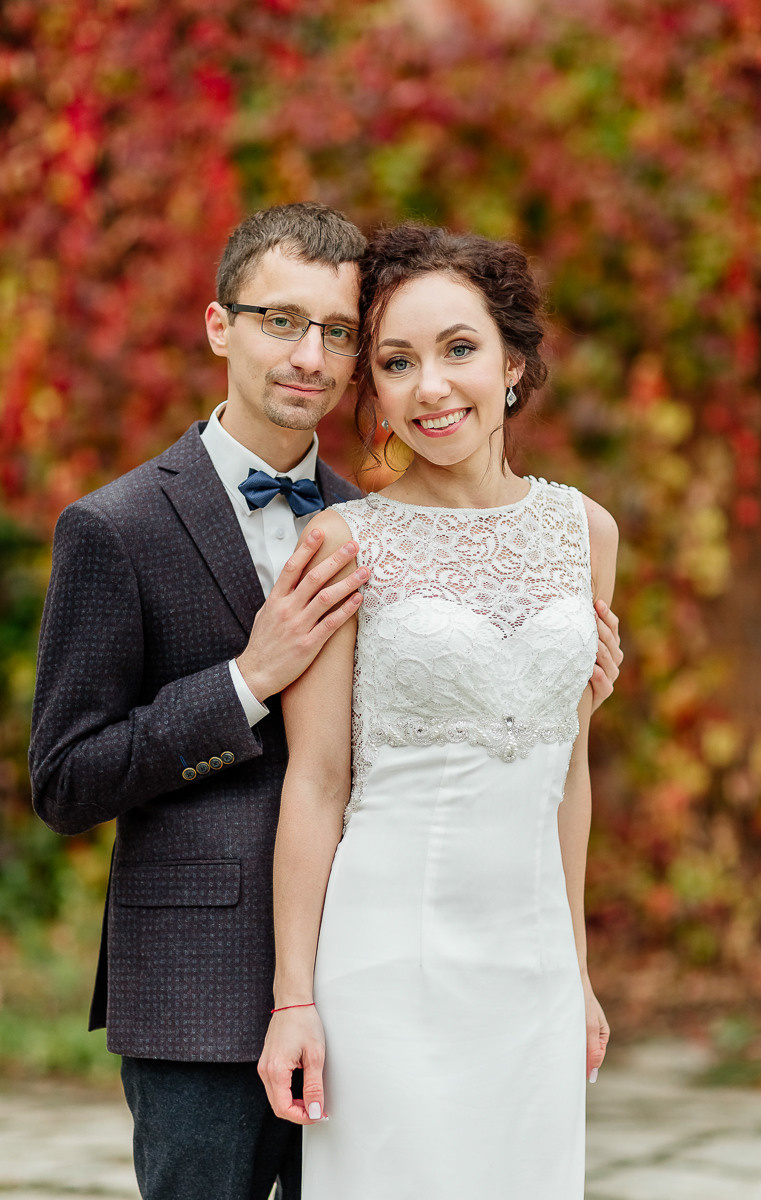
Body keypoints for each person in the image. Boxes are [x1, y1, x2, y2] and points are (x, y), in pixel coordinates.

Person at [29, 204, 621, 1200]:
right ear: (220, 326)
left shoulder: (391, 516)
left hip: (448, 962)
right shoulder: (117, 528)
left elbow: (535, 755)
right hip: (212, 984)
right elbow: (65, 780)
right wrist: (243, 683)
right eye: (278, 320)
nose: (309, 355)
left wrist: (556, 687)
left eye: (338, 334)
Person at [260, 223, 619, 1199]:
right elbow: (317, 782)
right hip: (387, 963)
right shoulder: (341, 541)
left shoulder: (583, 532)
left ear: (512, 360)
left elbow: (566, 772)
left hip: (530, 962)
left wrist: (576, 968)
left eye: (457, 349)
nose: (431, 386)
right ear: (369, 391)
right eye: (395, 362)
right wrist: (295, 999)